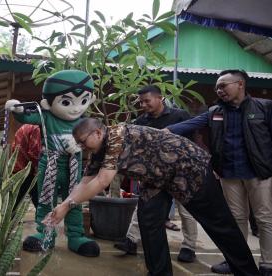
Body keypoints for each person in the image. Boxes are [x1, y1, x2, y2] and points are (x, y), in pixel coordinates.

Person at [45, 118, 259, 276]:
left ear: (98, 133)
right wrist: (63, 205)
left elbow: (102, 181)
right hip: (158, 179)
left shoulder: (116, 136)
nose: (82, 147)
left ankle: (248, 272)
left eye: (83, 142)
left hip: (189, 169)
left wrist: (68, 205)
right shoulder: (98, 150)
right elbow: (84, 182)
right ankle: (160, 273)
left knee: (219, 224)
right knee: (148, 221)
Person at [167, 69, 272, 275]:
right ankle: (238, 261)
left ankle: (268, 263)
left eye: (223, 85)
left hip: (259, 173)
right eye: (217, 87)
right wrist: (162, 131)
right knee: (236, 219)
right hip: (229, 174)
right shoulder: (215, 111)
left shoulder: (264, 107)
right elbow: (189, 124)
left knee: (265, 218)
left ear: (240, 84)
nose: (219, 90)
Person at [5, 70, 100, 257]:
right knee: (45, 201)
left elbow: (95, 141)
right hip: (48, 165)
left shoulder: (85, 122)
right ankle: (45, 234)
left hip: (75, 167)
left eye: (83, 101)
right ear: (48, 103)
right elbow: (26, 117)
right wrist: (17, 109)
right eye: (66, 102)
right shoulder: (46, 116)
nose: (75, 108)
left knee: (74, 202)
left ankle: (76, 236)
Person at [114, 85, 199, 263]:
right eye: (141, 102)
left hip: (182, 173)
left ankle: (189, 247)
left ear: (159, 98)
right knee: (143, 207)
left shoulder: (180, 116)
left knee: (187, 211)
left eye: (147, 101)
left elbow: (194, 141)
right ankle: (131, 240)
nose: (144, 105)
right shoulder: (141, 121)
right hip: (154, 174)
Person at [12, 124, 41, 209]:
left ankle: (11, 220)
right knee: (37, 198)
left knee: (16, 198)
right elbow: (34, 152)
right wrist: (36, 168)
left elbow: (14, 146)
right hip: (27, 169)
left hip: (18, 167)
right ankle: (43, 219)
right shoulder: (35, 129)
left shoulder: (22, 127)